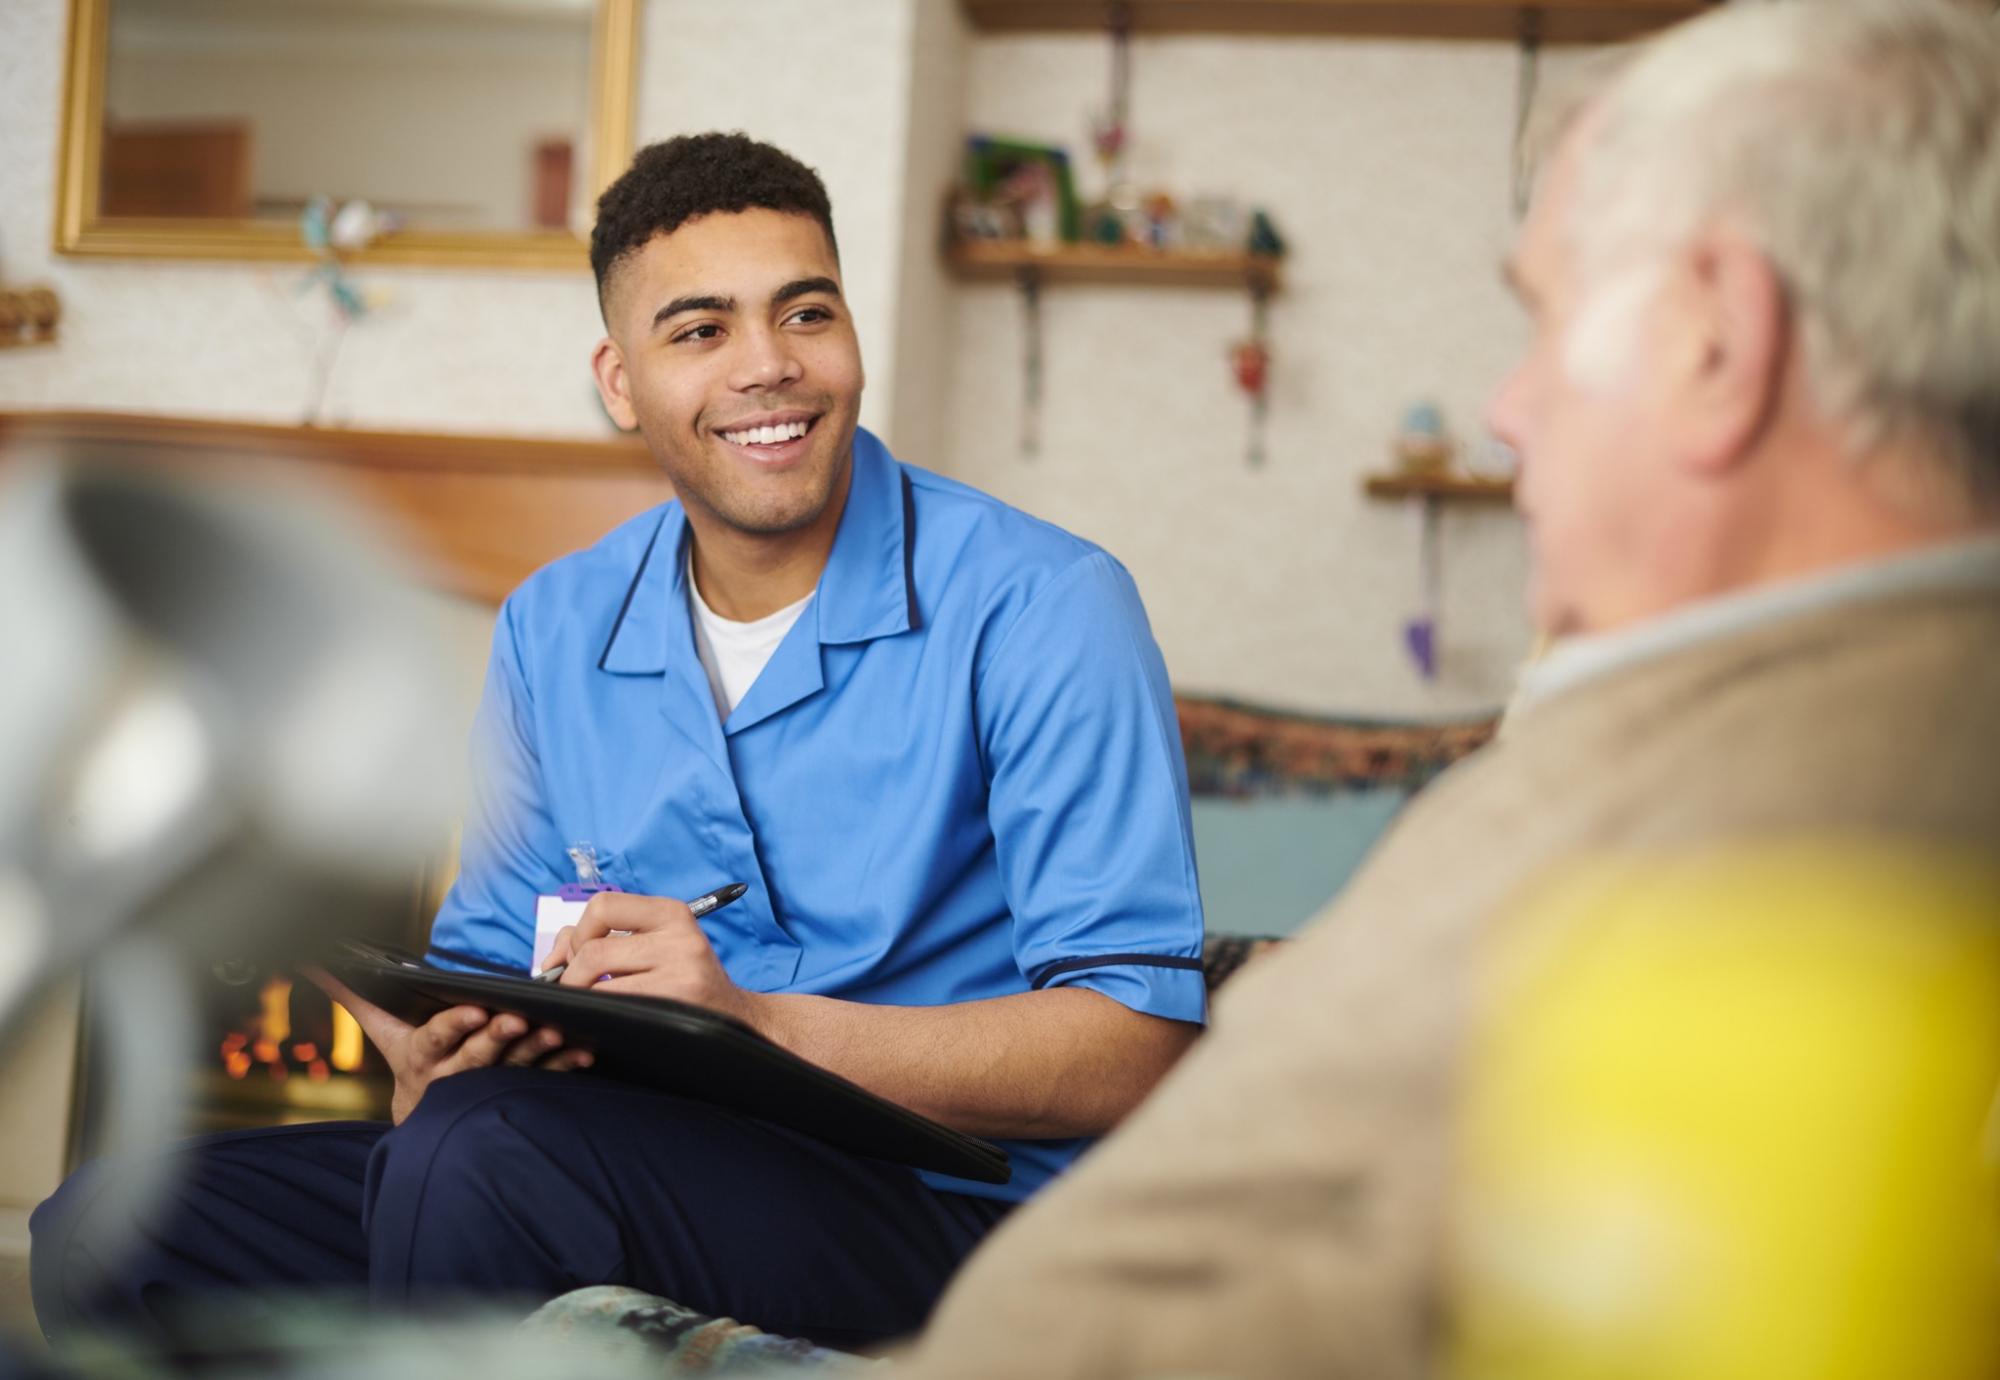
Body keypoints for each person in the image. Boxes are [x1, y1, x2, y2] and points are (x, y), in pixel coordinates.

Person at [894, 1, 2000, 1374]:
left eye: (1544, 317)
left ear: (1717, 343)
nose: (1506, 407)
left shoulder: (1773, 810)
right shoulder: (1767, 710)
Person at [31, 133, 1207, 1350]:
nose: (769, 367)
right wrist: (439, 1048)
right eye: (700, 331)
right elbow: (493, 971)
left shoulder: (1047, 604)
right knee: (109, 1227)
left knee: (479, 1163)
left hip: (953, 1206)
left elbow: (1132, 1047)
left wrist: (753, 1020)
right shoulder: (553, 623)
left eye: (805, 313)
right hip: (605, 1154)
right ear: (619, 380)